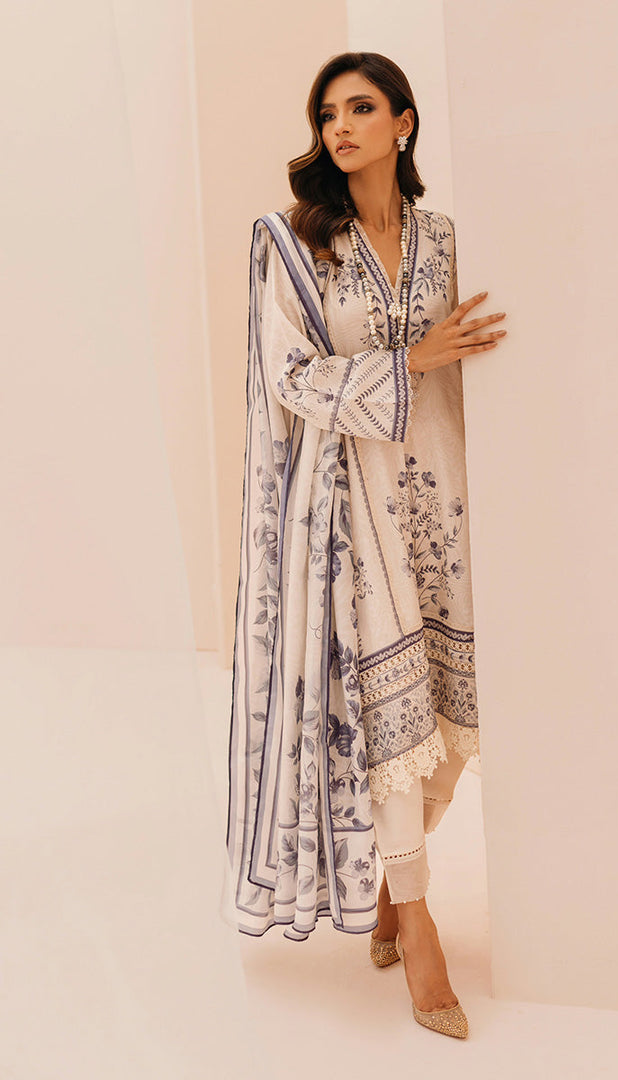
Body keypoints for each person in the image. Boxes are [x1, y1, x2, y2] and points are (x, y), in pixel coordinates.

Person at [225, 51, 507, 1039]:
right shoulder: (297, 244)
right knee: (388, 725)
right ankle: (419, 922)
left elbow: (479, 358)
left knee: (452, 724)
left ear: (404, 122)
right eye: (327, 113)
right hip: (350, 509)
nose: (340, 127)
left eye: (360, 108)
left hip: (448, 498)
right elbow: (289, 376)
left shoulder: (446, 239)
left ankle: (395, 885)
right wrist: (408, 358)